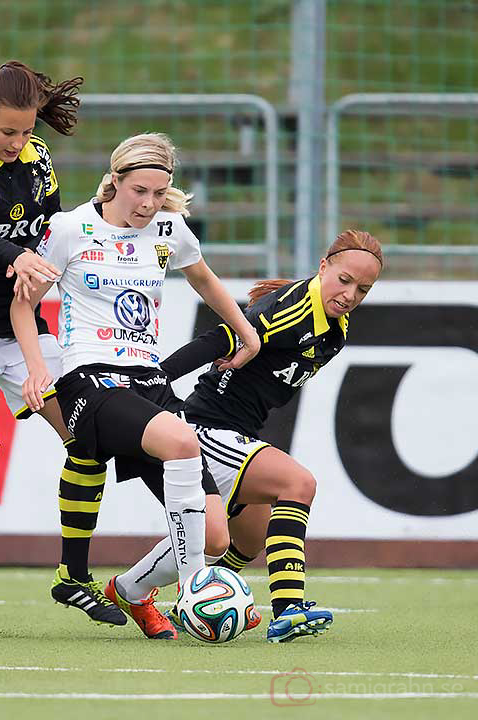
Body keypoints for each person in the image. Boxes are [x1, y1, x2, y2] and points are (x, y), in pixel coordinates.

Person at [11, 132, 262, 639]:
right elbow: (22, 303)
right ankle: (194, 589)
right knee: (181, 441)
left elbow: (205, 280)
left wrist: (245, 328)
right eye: (138, 191)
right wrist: (38, 368)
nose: (148, 204)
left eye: (158, 192)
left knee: (215, 533)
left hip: (148, 383)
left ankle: (128, 590)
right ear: (115, 181)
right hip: (89, 381)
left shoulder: (170, 229)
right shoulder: (70, 228)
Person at [0, 61, 127, 631]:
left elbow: (52, 230)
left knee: (88, 444)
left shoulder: (38, 159)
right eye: (7, 131)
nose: (18, 143)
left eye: (26, 131)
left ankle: (73, 577)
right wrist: (15, 257)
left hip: (23, 327)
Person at [107, 229, 384, 643]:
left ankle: (137, 589)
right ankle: (289, 609)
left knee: (246, 536)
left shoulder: (336, 331)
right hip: (205, 426)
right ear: (324, 266)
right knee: (298, 483)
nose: (350, 295)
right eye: (344, 280)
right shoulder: (292, 310)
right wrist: (152, 382)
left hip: (237, 431)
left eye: (363, 289)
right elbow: (215, 339)